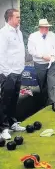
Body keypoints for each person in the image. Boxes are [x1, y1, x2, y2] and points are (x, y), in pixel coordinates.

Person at [0, 9, 26, 140]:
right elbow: (1, 54)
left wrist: (20, 69)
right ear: (10, 18)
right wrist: (7, 73)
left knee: (14, 99)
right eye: (17, 17)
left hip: (18, 71)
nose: (19, 19)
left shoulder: (19, 32)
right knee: (5, 101)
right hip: (8, 73)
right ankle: (3, 128)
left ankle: (12, 123)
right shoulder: (3, 33)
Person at [28, 19, 55, 112]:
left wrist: (52, 56)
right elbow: (31, 50)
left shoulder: (52, 35)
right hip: (39, 63)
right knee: (42, 84)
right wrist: (42, 56)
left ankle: (54, 102)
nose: (47, 29)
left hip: (52, 62)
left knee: (52, 81)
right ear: (40, 28)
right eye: (45, 27)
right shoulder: (33, 36)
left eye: (47, 27)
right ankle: (46, 101)